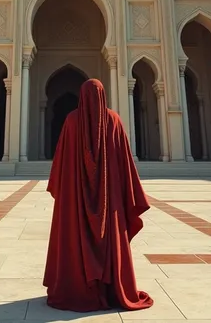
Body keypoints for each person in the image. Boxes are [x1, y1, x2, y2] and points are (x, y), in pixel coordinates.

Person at [43, 78, 154, 312]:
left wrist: (67, 191)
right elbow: (126, 166)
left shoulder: (72, 122)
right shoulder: (114, 120)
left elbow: (61, 167)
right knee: (110, 237)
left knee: (76, 233)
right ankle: (111, 287)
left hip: (77, 201)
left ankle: (76, 287)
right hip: (109, 201)